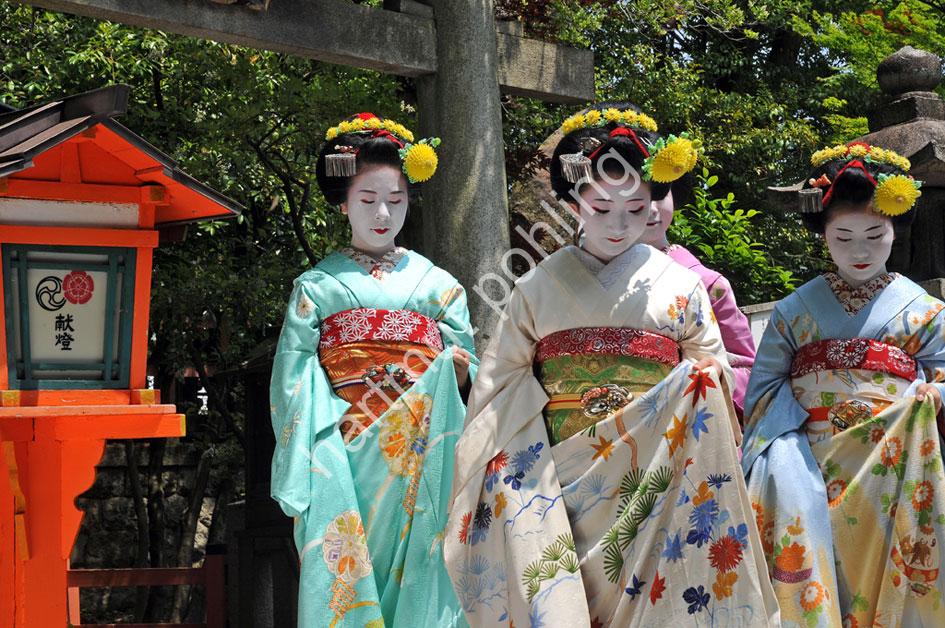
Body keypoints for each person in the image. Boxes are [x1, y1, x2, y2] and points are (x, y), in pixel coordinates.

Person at [445, 105, 778, 627]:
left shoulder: (682, 286)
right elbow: (499, 387)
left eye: (636, 207)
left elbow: (713, 369)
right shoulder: (534, 289)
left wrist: (698, 381)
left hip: (656, 478)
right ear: (574, 201)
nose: (620, 224)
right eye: (601, 207)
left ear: (654, 203)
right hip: (557, 481)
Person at [269, 113, 476, 627]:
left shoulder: (440, 287)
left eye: (397, 200)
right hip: (344, 449)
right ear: (343, 202)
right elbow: (292, 380)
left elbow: (468, 373)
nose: (383, 214)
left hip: (423, 453)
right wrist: (312, 450)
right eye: (368, 201)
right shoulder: (316, 288)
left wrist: (454, 371)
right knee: (348, 568)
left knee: (424, 570)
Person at [742, 141, 945, 626]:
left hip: (893, 462)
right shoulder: (794, 311)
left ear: (895, 230)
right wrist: (785, 459)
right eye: (844, 237)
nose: (860, 251)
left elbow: (943, 368)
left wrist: (934, 392)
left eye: (875, 235)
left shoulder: (924, 309)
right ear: (824, 235)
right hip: (809, 460)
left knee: (880, 566)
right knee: (820, 560)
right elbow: (766, 389)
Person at [641, 177, 756, 418]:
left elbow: (748, 368)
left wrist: (714, 374)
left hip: (690, 421)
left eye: (660, 195)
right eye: (636, 197)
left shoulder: (710, 285)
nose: (652, 208)